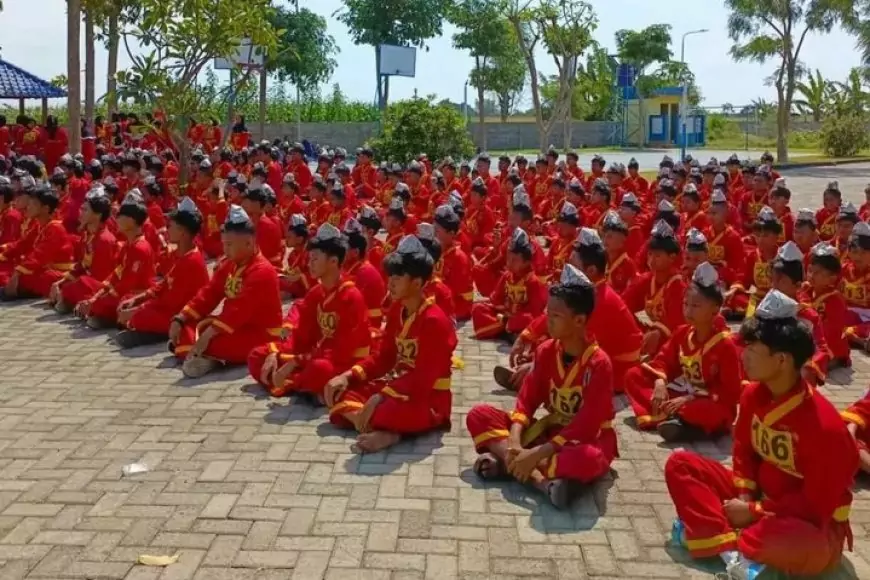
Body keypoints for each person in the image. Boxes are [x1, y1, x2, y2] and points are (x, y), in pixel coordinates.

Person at [665, 289, 858, 579]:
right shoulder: (754, 395)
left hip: (807, 522)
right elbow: (743, 448)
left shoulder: (825, 427)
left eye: (753, 350)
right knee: (680, 465)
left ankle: (716, 535)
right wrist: (745, 495)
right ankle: (734, 549)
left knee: (793, 541)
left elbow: (814, 505)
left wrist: (753, 511)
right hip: (760, 497)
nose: (744, 356)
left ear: (781, 360)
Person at [466, 265, 617, 509]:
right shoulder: (546, 350)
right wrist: (515, 441)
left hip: (586, 440)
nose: (548, 320)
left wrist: (535, 453)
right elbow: (528, 398)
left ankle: (507, 464)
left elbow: (586, 425)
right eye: (548, 313)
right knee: (479, 415)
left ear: (579, 320)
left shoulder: (600, 364)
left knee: (588, 460)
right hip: (549, 432)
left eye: (555, 316)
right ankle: (541, 483)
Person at [325, 235, 458, 453]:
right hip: (396, 388)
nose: (391, 282)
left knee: (383, 409)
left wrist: (381, 396)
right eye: (391, 276)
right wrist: (348, 375)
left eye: (398, 277)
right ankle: (373, 423)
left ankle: (386, 429)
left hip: (428, 398)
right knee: (341, 391)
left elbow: (423, 380)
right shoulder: (397, 310)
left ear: (416, 283)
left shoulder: (435, 321)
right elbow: (384, 358)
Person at [247, 223, 371, 398]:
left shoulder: (351, 297)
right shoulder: (315, 294)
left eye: (314, 259)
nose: (309, 263)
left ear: (333, 261)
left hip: (343, 360)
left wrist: (296, 361)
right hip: (317, 355)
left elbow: (340, 350)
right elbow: (301, 336)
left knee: (320, 369)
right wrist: (277, 352)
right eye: (309, 258)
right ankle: (305, 385)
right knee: (257, 355)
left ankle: (295, 382)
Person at [623, 263, 741, 441]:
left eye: (696, 306)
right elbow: (663, 360)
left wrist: (690, 399)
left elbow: (730, 392)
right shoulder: (682, 333)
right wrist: (660, 382)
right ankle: (677, 420)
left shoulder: (725, 345)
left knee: (706, 411)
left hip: (708, 400)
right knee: (633, 375)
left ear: (715, 310)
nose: (688, 311)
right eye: (686, 304)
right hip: (681, 392)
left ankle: (681, 420)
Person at [169, 205, 283, 378]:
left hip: (259, 333)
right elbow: (209, 293)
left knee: (208, 340)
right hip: (232, 327)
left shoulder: (262, 271)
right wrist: (181, 317)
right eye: (223, 244)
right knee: (188, 328)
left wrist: (208, 335)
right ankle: (205, 355)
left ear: (249, 243)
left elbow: (237, 311)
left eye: (229, 245)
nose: (224, 249)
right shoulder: (231, 264)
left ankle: (203, 354)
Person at [115, 197, 210, 349]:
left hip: (183, 314)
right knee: (129, 302)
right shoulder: (179, 254)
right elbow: (164, 284)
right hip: (170, 308)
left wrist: (139, 309)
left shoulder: (191, 261)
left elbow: (172, 301)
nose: (167, 230)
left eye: (171, 226)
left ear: (183, 232)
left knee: (140, 316)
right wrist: (139, 300)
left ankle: (155, 332)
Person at [74, 191, 155, 328]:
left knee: (111, 303)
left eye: (120, 216)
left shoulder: (140, 248)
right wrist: (97, 296)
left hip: (135, 294)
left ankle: (108, 317)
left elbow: (128, 283)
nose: (116, 220)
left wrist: (100, 299)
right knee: (93, 298)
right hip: (122, 291)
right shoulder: (128, 246)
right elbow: (116, 274)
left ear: (131, 220)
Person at [622, 220, 687, 357]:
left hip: (672, 337)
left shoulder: (677, 285)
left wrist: (657, 332)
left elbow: (677, 324)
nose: (651, 260)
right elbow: (625, 305)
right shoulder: (645, 280)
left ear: (672, 257)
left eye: (657, 255)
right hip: (651, 330)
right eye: (650, 254)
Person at [0, 184, 73, 300]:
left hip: (56, 273)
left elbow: (38, 256)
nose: (28, 207)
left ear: (46, 208)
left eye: (33, 204)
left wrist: (17, 272)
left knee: (26, 276)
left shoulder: (55, 228)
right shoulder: (40, 225)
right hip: (42, 269)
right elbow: (21, 245)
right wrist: (2, 252)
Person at [471, 229, 548, 340]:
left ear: (526, 262)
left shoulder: (533, 281)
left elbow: (534, 312)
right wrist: (502, 306)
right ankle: (507, 330)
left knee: (530, 320)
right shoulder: (507, 276)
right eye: (508, 258)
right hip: (505, 314)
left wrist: (514, 315)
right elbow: (496, 298)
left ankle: (503, 328)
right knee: (478, 308)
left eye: (515, 260)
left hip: (519, 317)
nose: (509, 263)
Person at [50, 188, 118, 313]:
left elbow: (101, 278)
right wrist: (62, 282)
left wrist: (71, 286)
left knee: (79, 284)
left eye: (85, 210)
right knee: (62, 284)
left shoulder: (105, 240)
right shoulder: (87, 235)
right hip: (87, 281)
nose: (80, 212)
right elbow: (82, 265)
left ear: (97, 215)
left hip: (99, 285)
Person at [723, 206, 781, 319]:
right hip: (758, 297)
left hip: (778, 299)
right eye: (758, 235)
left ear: (776, 236)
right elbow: (743, 279)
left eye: (766, 235)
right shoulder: (752, 256)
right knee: (736, 298)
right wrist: (733, 289)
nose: (761, 240)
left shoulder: (783, 256)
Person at [801, 242, 850, 368]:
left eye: (818, 273)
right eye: (810, 270)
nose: (811, 275)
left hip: (828, 343)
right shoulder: (806, 290)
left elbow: (832, 330)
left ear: (832, 278)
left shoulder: (835, 299)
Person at [342, 218, 387, 330]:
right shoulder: (350, 266)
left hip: (367, 326)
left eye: (344, 247)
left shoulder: (365, 272)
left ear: (356, 252)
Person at [433, 203, 474, 321]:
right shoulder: (435, 251)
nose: (434, 234)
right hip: (438, 296)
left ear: (451, 234)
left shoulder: (459, 257)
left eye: (437, 230)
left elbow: (454, 290)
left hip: (458, 303)